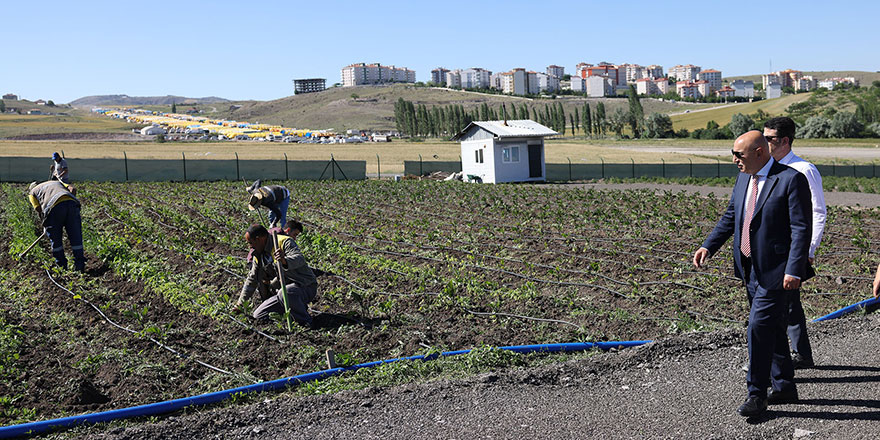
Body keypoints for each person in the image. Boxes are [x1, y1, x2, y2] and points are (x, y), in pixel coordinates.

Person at [693, 131, 812, 417]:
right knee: (771, 328)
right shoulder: (745, 177)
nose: (734, 160)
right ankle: (784, 386)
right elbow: (732, 216)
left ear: (760, 152)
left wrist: (794, 269)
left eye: (739, 155)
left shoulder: (790, 179)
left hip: (777, 271)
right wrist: (709, 246)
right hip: (749, 268)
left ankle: (756, 394)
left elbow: (800, 229)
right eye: (733, 154)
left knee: (757, 329)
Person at [764, 116, 825, 369]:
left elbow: (817, 211)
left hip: (793, 249)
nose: (764, 143)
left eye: (770, 139)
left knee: (778, 305)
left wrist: (809, 249)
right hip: (772, 248)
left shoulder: (804, 170)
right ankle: (801, 354)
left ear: (785, 141)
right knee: (789, 304)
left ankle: (770, 361)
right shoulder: (766, 168)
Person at [235, 224, 318, 328]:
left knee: (286, 293)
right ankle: (292, 313)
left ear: (259, 239)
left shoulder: (284, 242)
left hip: (305, 286)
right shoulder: (258, 255)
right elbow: (252, 279)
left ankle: (306, 322)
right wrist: (240, 303)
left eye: (251, 243)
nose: (250, 246)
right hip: (282, 292)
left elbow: (299, 259)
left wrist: (284, 261)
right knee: (259, 315)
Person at [28, 180, 85, 271]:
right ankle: (80, 265)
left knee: (56, 239)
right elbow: (73, 189)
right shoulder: (55, 182)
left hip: (53, 208)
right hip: (72, 203)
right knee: (75, 236)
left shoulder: (32, 192)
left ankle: (62, 266)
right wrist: (68, 204)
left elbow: (37, 208)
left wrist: (44, 222)